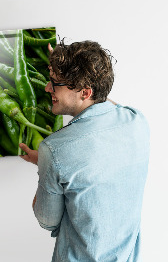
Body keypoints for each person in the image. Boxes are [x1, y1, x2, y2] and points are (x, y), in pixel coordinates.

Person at [19, 40, 150, 261]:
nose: (47, 88)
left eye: (55, 83)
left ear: (85, 92)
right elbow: (102, 103)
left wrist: (46, 166)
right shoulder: (137, 121)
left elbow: (47, 221)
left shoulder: (54, 150)